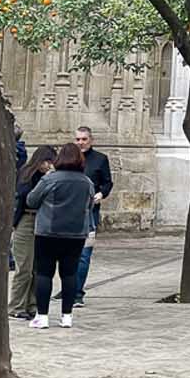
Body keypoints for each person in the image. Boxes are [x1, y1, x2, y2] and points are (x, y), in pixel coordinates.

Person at [23, 143, 95, 329]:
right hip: (76, 234)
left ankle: (42, 316)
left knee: (44, 273)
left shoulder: (50, 179)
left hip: (48, 232)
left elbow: (31, 200)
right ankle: (67, 316)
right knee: (69, 274)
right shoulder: (86, 182)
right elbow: (89, 206)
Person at [8, 144, 57, 320]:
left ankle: (32, 304)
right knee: (24, 267)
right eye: (46, 162)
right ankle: (16, 305)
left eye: (51, 162)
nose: (48, 166)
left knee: (38, 267)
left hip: (43, 221)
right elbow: (28, 198)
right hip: (26, 221)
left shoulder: (50, 177)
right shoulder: (27, 174)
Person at [71, 125, 113, 307]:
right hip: (69, 213)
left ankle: (77, 292)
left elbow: (107, 183)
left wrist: (101, 194)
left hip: (89, 213)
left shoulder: (100, 159)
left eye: (84, 139)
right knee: (68, 254)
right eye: (78, 139)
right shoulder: (69, 158)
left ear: (91, 140)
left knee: (84, 254)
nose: (81, 143)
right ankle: (69, 287)